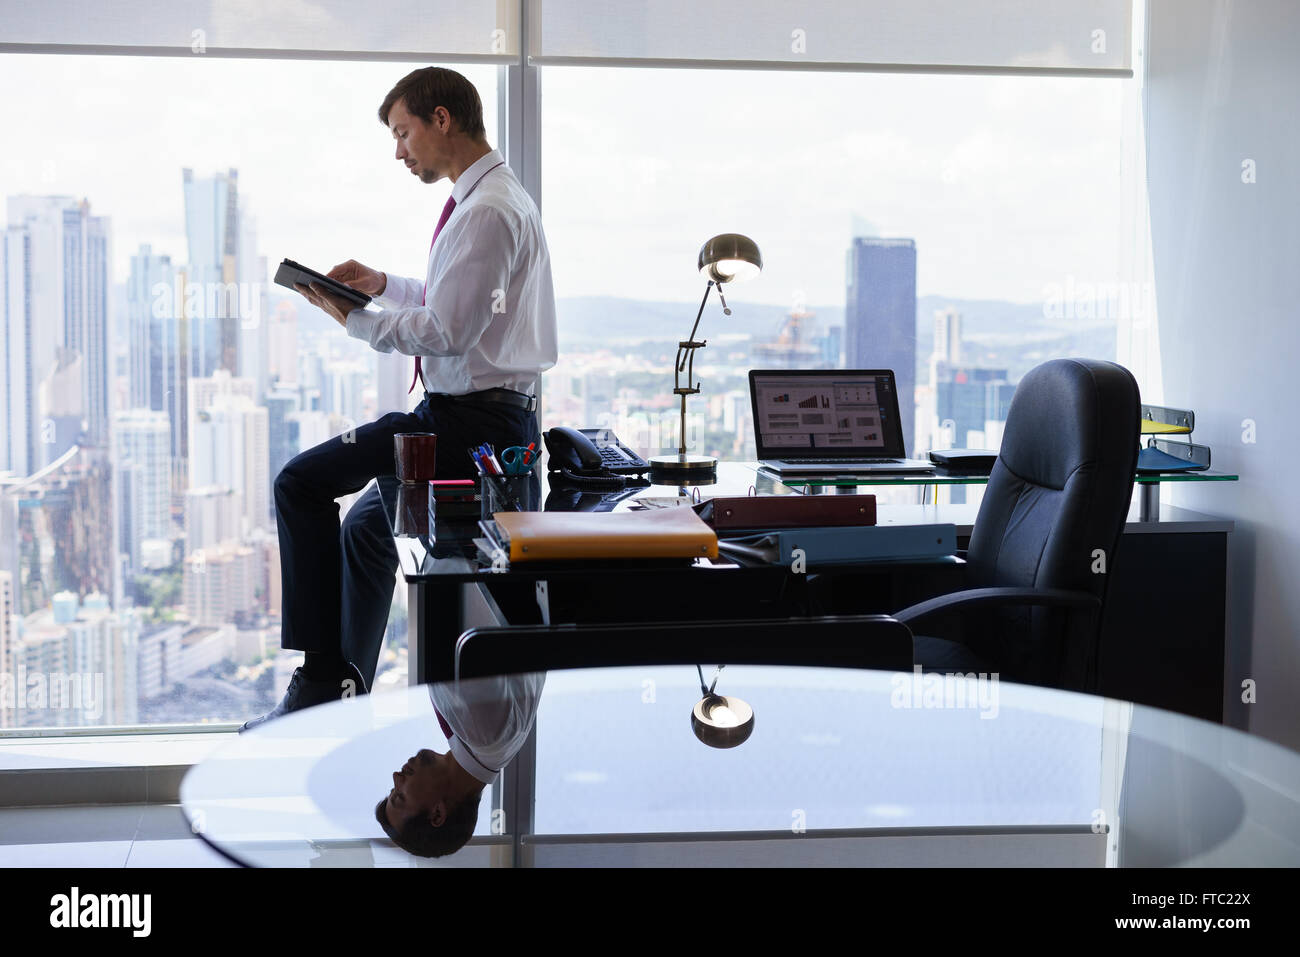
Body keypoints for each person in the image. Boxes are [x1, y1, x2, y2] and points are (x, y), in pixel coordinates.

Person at [241, 67, 557, 732]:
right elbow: (454, 302)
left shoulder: (490, 210)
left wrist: (349, 317)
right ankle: (344, 693)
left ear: (442, 120)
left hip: (470, 424)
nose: (398, 150)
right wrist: (384, 284)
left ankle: (322, 679)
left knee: (298, 483)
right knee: (364, 529)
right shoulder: (484, 202)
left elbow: (448, 330)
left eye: (403, 131)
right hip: (476, 414)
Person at [376, 671, 545, 857]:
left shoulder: (489, 746)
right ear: (438, 813)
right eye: (400, 796)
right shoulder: (484, 732)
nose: (396, 776)